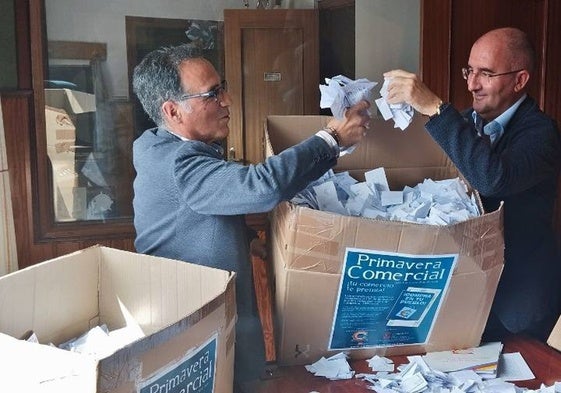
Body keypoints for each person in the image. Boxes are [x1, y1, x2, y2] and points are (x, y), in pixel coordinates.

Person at [131, 44, 370, 388]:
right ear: (172, 111)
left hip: (201, 319)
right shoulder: (179, 163)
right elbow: (262, 187)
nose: (227, 100)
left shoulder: (155, 144)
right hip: (195, 332)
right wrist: (331, 139)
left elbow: (196, 213)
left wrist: (247, 242)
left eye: (222, 87)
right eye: (212, 94)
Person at [382, 27, 561, 342]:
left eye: (486, 74)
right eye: (470, 70)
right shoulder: (464, 123)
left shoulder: (543, 134)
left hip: (516, 304)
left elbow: (493, 178)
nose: (472, 84)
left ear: (520, 80)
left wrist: (437, 109)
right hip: (462, 293)